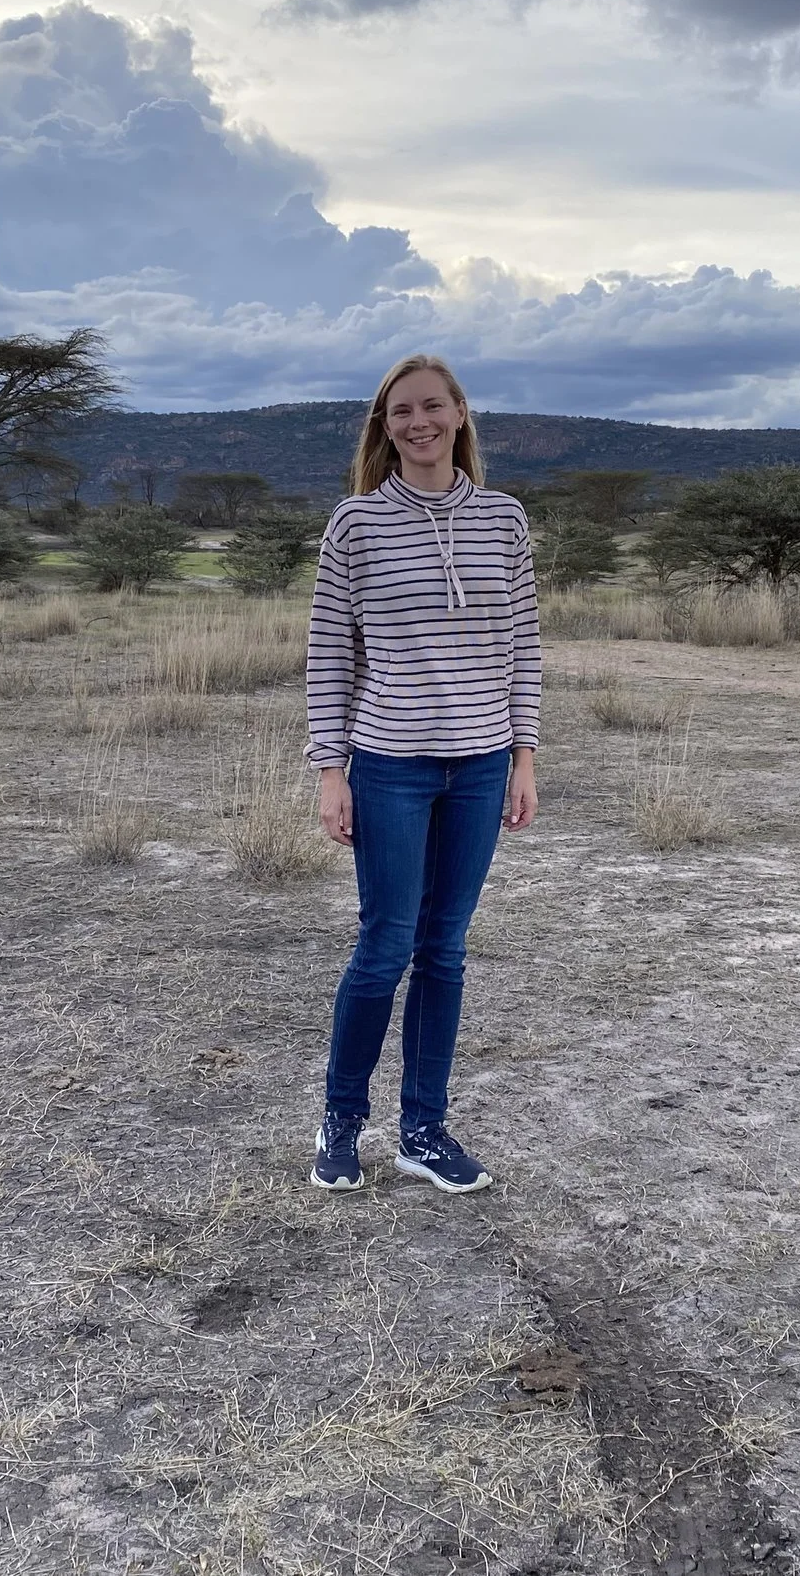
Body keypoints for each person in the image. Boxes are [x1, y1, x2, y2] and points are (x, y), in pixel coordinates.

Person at [304, 354, 540, 1194]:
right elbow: (330, 655)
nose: (418, 421)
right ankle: (340, 1119)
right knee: (384, 945)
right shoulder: (357, 524)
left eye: (432, 406)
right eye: (400, 411)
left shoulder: (504, 520)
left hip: (480, 764)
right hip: (390, 764)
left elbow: (523, 648)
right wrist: (330, 771)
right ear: (386, 426)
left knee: (445, 950)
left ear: (461, 414)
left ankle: (424, 1129)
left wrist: (523, 755)